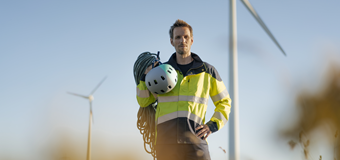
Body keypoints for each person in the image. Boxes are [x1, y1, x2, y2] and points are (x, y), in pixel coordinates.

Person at [136, 19, 231, 160]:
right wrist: (145, 77)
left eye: (186, 37)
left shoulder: (207, 71)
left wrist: (212, 125)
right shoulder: (160, 72)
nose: (182, 40)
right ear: (171, 41)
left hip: (196, 142)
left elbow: (224, 102)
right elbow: (144, 102)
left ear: (192, 40)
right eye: (178, 37)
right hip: (166, 143)